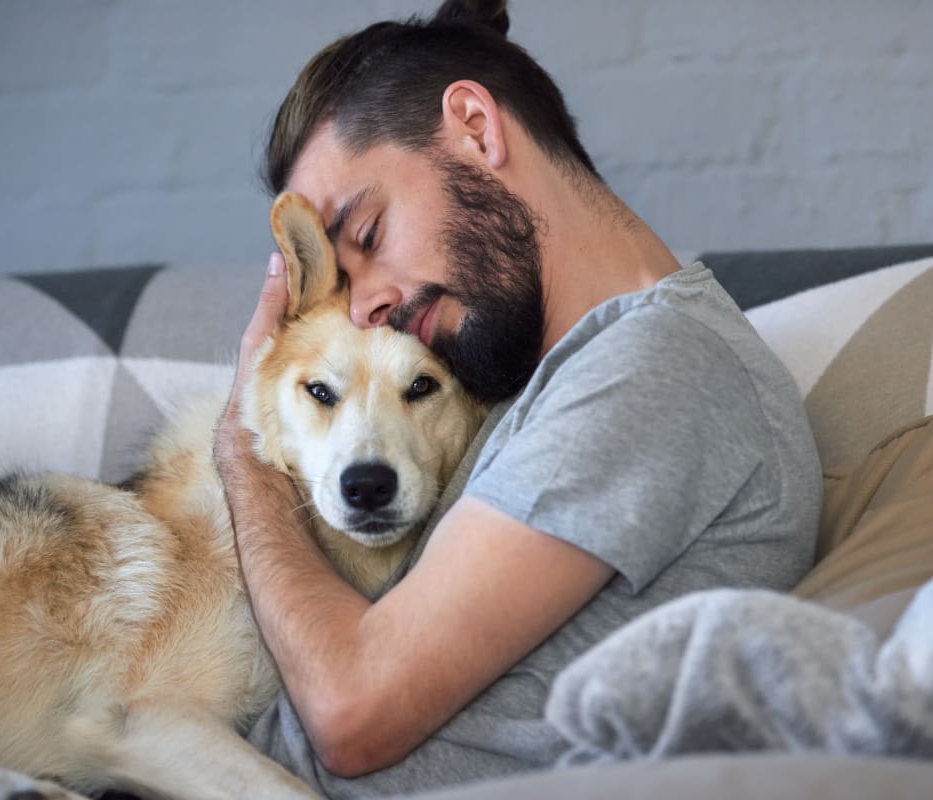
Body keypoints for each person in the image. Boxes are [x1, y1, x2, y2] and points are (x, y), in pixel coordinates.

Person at [212, 0, 823, 796]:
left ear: (475, 126)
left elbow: (351, 712)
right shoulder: (540, 373)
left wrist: (242, 445)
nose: (363, 308)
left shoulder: (655, 366)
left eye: (366, 235)